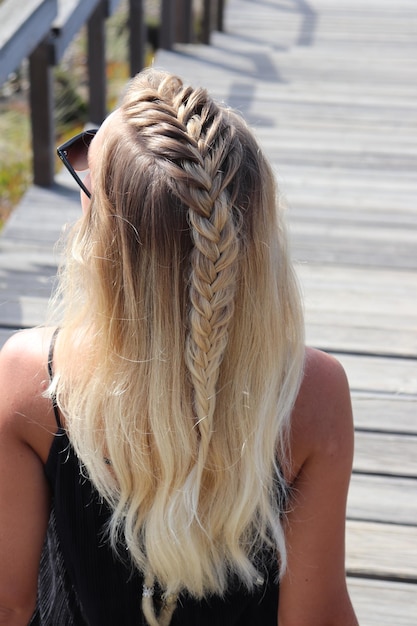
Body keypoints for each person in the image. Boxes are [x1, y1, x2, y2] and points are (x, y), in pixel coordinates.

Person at [0, 69, 359, 626]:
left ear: (107, 240)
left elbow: (9, 602)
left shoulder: (30, 380)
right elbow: (317, 615)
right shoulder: (311, 394)